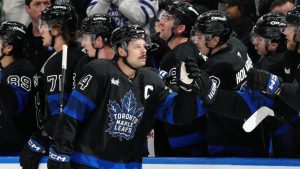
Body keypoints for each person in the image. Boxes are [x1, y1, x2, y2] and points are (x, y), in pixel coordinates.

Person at [46, 24, 206, 169]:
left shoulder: (151, 80)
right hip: (88, 164)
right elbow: (72, 115)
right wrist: (60, 152)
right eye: (137, 47)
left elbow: (179, 117)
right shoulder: (100, 72)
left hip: (128, 165)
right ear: (121, 51)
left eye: (144, 46)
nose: (144, 51)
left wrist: (186, 89)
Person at [19, 3, 85, 169]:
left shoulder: (57, 62)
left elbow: (60, 115)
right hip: (84, 147)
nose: (41, 31)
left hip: (68, 151)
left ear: (56, 29)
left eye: (44, 25)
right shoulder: (81, 56)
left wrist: (41, 138)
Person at [154, 1, 207, 157]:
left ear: (180, 28)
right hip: (192, 136)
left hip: (183, 139)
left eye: (167, 18)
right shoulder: (187, 49)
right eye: (161, 16)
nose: (160, 21)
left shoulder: (179, 56)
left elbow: (179, 100)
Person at [247, 5, 300, 157]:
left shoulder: (270, 64)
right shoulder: (291, 56)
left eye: (289, 27)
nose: (285, 32)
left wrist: (278, 87)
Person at [0, 21, 38, 154]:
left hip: (15, 154)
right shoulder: (7, 70)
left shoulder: (21, 70)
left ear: (8, 47)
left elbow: (16, 106)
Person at [86, 0, 158, 34]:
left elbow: (142, 19)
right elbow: (93, 21)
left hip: (135, 44)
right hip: (107, 46)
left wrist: (117, 1)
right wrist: (104, 2)